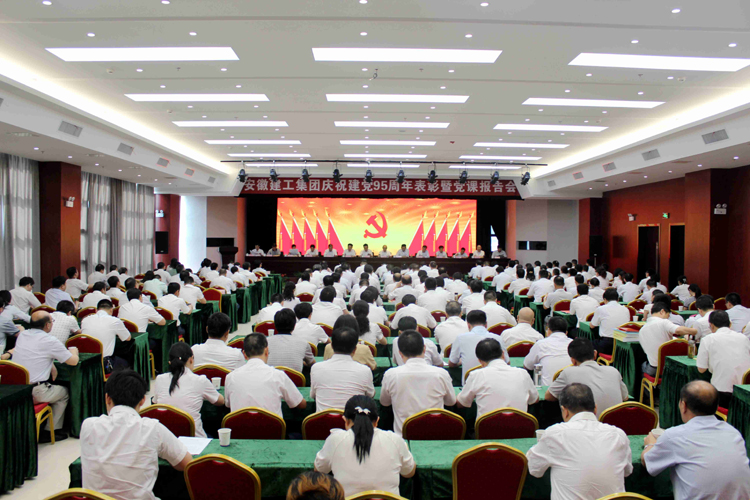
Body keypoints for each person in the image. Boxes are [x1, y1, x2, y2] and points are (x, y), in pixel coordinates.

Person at [80, 369, 192, 499]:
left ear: (107, 398)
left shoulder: (88, 425)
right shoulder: (152, 428)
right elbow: (186, 463)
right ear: (143, 400)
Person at [642, 380, 750, 499]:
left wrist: (650, 444)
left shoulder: (674, 436)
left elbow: (647, 462)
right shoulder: (733, 433)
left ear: (683, 406)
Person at [527, 383, 633, 500]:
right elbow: (627, 471)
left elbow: (534, 469)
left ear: (565, 411)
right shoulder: (618, 435)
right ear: (595, 409)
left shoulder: (555, 434)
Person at [314, 395, 415, 496]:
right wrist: (404, 448)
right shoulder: (395, 440)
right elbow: (409, 472)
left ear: (346, 420)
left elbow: (319, 469)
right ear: (377, 421)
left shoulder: (335, 440)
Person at [12, 311, 79, 442]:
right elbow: (73, 361)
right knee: (64, 393)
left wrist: (51, 365)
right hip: (36, 392)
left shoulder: (23, 335)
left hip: (17, 390)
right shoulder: (50, 340)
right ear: (48, 325)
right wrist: (74, 351)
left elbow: (33, 354)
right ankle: (50, 431)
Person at [380, 330, 455, 435]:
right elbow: (451, 402)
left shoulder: (391, 375)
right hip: (435, 436)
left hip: (404, 437)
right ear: (424, 349)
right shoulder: (441, 374)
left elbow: (385, 402)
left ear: (400, 353)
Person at [153, 343, 224, 438]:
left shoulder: (160, 379)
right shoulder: (200, 380)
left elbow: (155, 403)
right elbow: (220, 401)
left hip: (166, 439)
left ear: (170, 362)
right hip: (195, 439)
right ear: (191, 359)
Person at [457, 338, 538, 418]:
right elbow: (534, 399)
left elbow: (461, 403)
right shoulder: (522, 373)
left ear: (480, 361)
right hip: (519, 426)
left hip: (488, 426)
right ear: (503, 354)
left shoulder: (476, 375)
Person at [545, 338, 628, 415]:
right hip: (616, 424)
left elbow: (549, 396)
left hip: (586, 424)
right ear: (595, 354)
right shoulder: (613, 371)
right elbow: (625, 397)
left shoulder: (568, 372)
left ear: (573, 360)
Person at [311, 327, 375, 412]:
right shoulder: (365, 371)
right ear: (355, 349)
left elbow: (313, 395)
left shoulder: (316, 368)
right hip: (353, 420)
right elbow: (370, 395)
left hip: (323, 420)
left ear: (332, 346)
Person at [697, 310, 750, 408]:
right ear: (730, 324)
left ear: (711, 325)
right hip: (745, 390)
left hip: (722, 391)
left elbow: (701, 369)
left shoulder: (708, 339)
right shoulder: (743, 338)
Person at [640, 302, 697, 376]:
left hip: (653, 369)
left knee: (643, 365)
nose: (668, 318)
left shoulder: (642, 330)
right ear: (662, 311)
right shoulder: (663, 322)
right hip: (668, 368)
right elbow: (678, 330)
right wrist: (695, 331)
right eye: (668, 315)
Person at [449, 310, 507, 381]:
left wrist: (461, 361)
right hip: (494, 381)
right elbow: (506, 362)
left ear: (468, 325)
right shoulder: (498, 338)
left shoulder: (460, 338)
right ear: (486, 324)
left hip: (470, 383)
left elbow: (452, 363)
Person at [81, 299, 132, 370]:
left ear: (96, 310)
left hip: (86, 362)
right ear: (111, 310)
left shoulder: (85, 320)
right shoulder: (115, 321)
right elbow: (128, 338)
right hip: (104, 362)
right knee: (126, 363)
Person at [524, 316, 573, 386]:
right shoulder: (574, 344)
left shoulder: (540, 344)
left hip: (547, 390)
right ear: (566, 332)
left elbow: (527, 365)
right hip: (572, 389)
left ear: (548, 331)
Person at [267, 308, 315, 373]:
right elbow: (312, 363)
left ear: (275, 325)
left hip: (271, 378)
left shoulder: (265, 342)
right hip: (295, 379)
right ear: (294, 325)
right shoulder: (303, 343)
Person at [590, 288, 630, 355]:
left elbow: (592, 326)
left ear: (605, 299)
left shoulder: (601, 309)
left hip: (607, 344)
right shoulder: (626, 309)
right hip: (622, 346)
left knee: (587, 344)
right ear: (618, 299)